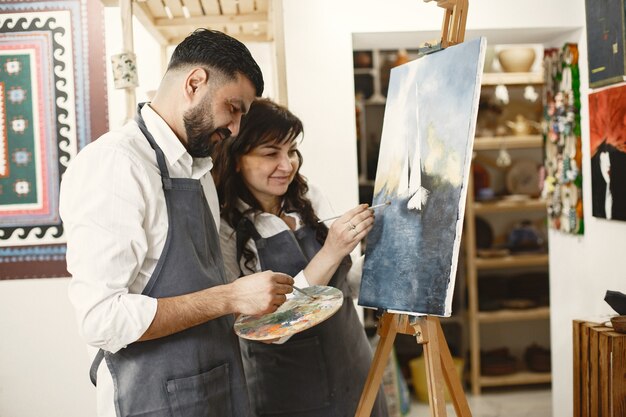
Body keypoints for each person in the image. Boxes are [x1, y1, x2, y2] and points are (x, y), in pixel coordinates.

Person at [59, 29, 294, 417]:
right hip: (152, 399)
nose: (235, 128)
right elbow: (102, 319)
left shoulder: (198, 170)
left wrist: (248, 308)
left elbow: (198, 289)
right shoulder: (116, 165)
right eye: (232, 108)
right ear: (194, 83)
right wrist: (230, 296)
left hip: (215, 387)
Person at [213, 98, 389, 417]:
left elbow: (345, 286)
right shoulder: (225, 229)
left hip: (355, 369)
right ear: (236, 158)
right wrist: (332, 250)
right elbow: (266, 329)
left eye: (292, 150)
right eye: (271, 154)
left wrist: (389, 247)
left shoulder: (309, 199)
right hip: (290, 394)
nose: (287, 165)